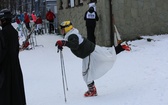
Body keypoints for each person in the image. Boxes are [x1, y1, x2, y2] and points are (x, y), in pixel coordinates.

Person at [55, 21, 131, 97]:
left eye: (62, 29)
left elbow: (75, 45)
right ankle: (121, 47)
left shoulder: (72, 36)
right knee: (106, 54)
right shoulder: (72, 33)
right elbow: (73, 44)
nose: (61, 31)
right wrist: (63, 43)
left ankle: (92, 91)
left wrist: (64, 43)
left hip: (89, 53)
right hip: (91, 50)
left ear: (67, 28)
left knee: (86, 74)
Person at [0, 9, 26, 105]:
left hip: (4, 70)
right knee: (16, 94)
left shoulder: (2, 34)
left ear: (3, 20)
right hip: (15, 68)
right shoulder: (14, 32)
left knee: (5, 96)